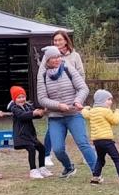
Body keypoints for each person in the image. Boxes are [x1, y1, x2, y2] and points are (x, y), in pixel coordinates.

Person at [36, 45, 97, 178]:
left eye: (59, 56)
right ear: (47, 60)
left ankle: (96, 172)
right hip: (55, 117)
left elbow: (83, 88)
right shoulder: (43, 75)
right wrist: (58, 105)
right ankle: (69, 167)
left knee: (83, 143)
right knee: (58, 149)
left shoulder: (68, 69)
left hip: (74, 115)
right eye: (54, 58)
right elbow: (42, 98)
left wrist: (78, 101)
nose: (57, 59)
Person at [43, 30, 85, 167]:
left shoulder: (74, 56)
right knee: (52, 129)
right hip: (55, 99)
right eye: (55, 40)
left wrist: (78, 97)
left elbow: (81, 75)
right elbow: (44, 75)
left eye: (60, 40)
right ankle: (47, 154)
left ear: (66, 41)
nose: (57, 42)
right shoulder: (48, 56)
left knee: (79, 131)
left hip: (72, 97)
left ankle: (86, 154)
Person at [81, 89, 119, 186]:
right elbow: (115, 121)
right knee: (117, 159)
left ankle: (96, 177)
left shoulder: (92, 111)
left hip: (96, 141)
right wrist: (117, 112)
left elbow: (85, 114)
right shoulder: (106, 111)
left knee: (100, 159)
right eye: (108, 99)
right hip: (107, 140)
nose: (111, 102)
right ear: (101, 100)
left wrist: (85, 108)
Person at [7, 86, 50, 179]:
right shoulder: (14, 108)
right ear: (14, 99)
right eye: (19, 97)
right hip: (21, 135)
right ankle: (33, 170)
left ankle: (42, 168)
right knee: (31, 149)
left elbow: (34, 115)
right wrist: (34, 113)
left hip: (30, 134)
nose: (21, 99)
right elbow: (22, 116)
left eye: (23, 97)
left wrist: (42, 112)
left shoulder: (27, 106)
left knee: (42, 148)